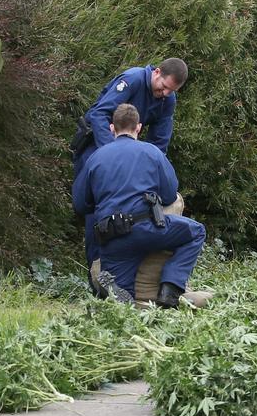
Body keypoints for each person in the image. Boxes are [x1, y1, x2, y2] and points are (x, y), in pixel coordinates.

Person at [72, 103, 205, 307]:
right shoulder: (152, 152)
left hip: (112, 239)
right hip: (147, 229)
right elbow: (170, 194)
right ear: (139, 128)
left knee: (124, 303)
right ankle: (170, 288)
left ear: (111, 129)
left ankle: (117, 292)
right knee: (196, 232)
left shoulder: (95, 158)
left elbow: (81, 205)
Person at [72, 57, 188, 268]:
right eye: (163, 87)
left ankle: (124, 267)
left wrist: (149, 168)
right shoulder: (132, 79)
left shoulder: (167, 100)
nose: (165, 94)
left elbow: (160, 142)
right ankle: (96, 269)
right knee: (96, 209)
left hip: (129, 155)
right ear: (156, 72)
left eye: (171, 91)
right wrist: (113, 154)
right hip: (97, 148)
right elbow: (99, 114)